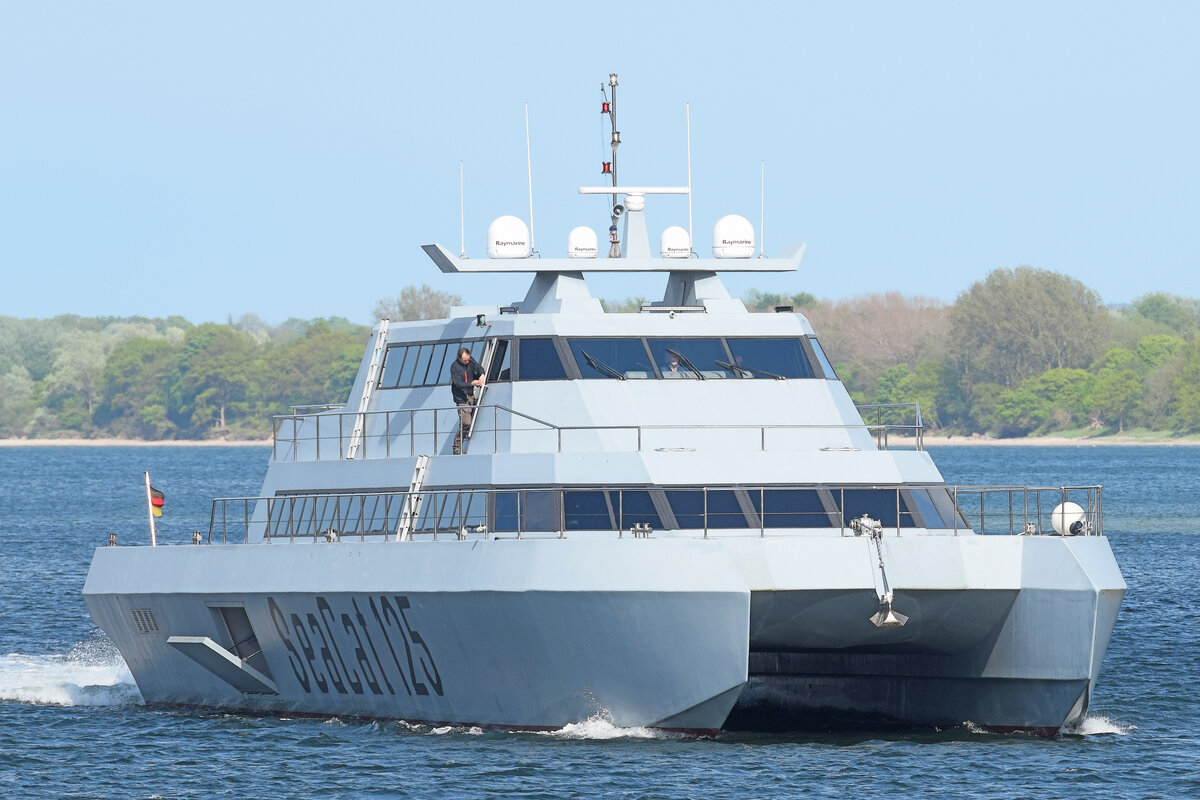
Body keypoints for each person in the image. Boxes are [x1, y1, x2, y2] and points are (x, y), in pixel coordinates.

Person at [450, 346, 484, 454]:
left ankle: (472, 445)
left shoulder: (470, 360)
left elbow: (478, 368)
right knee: (466, 422)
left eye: (468, 360)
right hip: (461, 398)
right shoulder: (454, 367)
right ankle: (457, 448)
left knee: (475, 419)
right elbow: (458, 383)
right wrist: (471, 383)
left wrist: (481, 375)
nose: (467, 362)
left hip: (470, 395)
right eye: (464, 360)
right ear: (459, 359)